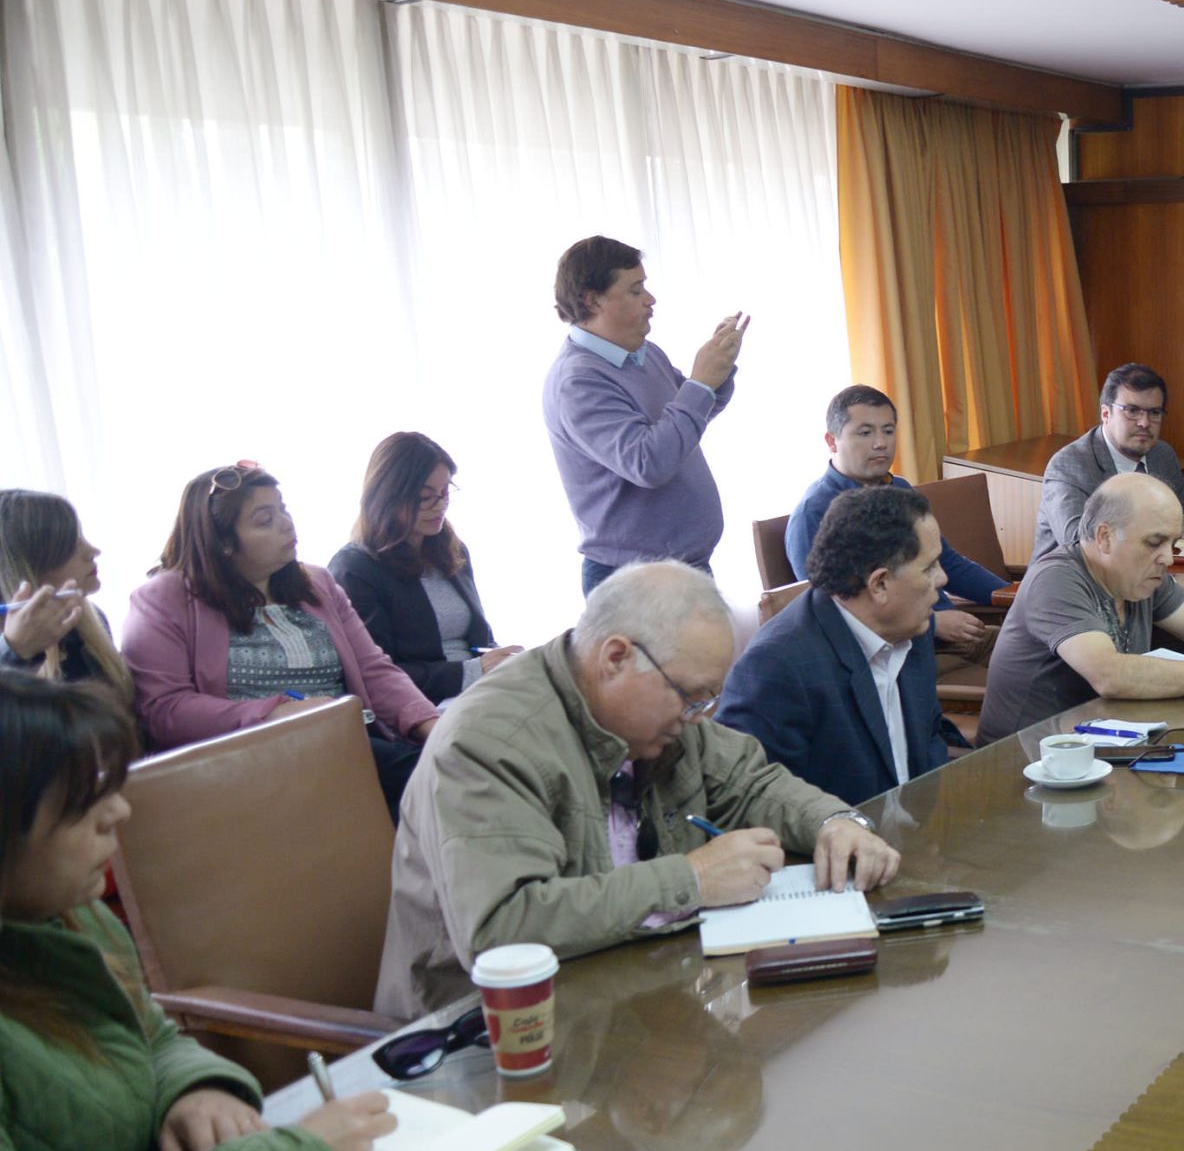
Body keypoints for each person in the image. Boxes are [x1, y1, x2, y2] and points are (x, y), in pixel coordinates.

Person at [0, 671, 394, 1151]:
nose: (118, 812)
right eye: (81, 800)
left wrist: (195, 1087)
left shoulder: (62, 914)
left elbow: (149, 1034)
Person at [377, 562, 900, 1019]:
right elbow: (502, 929)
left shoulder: (656, 722)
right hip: (484, 1037)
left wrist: (836, 823)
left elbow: (751, 781)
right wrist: (692, 878)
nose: (699, 717)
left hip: (627, 991)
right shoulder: (491, 744)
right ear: (616, 657)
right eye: (690, 697)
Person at [124, 463, 440, 809]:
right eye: (265, 520)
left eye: (283, 509)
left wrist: (431, 725)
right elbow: (164, 709)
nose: (286, 524)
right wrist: (276, 713)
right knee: (430, 783)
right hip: (252, 758)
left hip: (346, 740)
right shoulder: (163, 598)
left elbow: (374, 671)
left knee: (449, 765)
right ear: (224, 543)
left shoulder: (317, 583)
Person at [979, 475, 1184, 744]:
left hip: (1106, 745)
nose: (1168, 558)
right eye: (1155, 542)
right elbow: (1110, 675)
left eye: (1173, 543)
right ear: (1105, 537)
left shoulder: (1141, 574)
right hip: (1026, 766)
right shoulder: (1056, 579)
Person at [720, 488, 957, 810]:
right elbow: (747, 802)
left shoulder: (911, 628)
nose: (942, 579)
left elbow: (929, 739)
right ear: (880, 584)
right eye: (929, 568)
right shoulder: (776, 667)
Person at [541, 235, 746, 595]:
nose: (650, 300)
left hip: (683, 569)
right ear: (593, 299)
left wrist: (719, 369)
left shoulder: (644, 352)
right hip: (635, 582)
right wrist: (700, 381)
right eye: (636, 290)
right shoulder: (578, 380)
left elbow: (689, 419)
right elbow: (648, 462)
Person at [781, 384, 1006, 674]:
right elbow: (829, 611)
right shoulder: (815, 511)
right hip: (892, 654)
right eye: (865, 433)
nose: (880, 443)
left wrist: (1013, 595)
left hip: (951, 635)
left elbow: (948, 564)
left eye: (888, 431)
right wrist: (934, 625)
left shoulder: (899, 489)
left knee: (1045, 647)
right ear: (832, 440)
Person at [329, 433, 523, 705]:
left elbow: (480, 640)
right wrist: (474, 671)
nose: (440, 506)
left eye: (445, 492)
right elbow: (379, 677)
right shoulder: (355, 568)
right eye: (425, 497)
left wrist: (503, 660)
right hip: (424, 706)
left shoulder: (451, 549)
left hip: (478, 692)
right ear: (388, 497)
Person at [1032, 363, 1184, 562]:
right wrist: (1158, 534)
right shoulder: (1070, 464)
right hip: (1073, 584)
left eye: (1154, 413)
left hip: (1144, 579)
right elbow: (1079, 542)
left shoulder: (1161, 454)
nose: (1144, 423)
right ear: (1106, 414)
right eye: (1132, 410)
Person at [0, 490, 131, 698]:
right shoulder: (9, 655)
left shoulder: (87, 620)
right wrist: (14, 652)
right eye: (72, 545)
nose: (94, 551)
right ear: (31, 566)